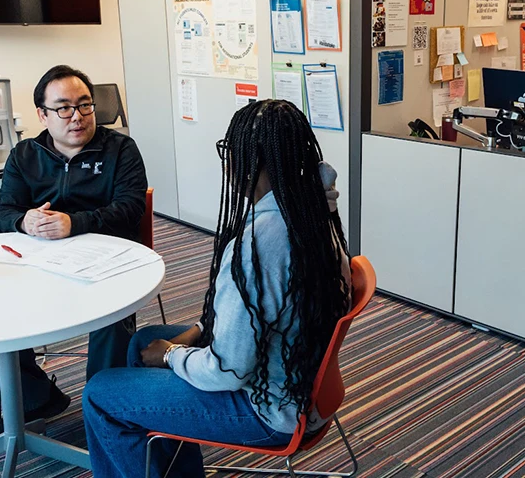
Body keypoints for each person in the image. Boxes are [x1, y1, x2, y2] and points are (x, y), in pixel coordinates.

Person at [82, 100, 352, 477]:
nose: (229, 165)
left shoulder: (258, 245)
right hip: (302, 382)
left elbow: (228, 370)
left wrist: (174, 356)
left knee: (100, 393)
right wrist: (191, 336)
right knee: (143, 339)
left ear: (249, 162)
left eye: (232, 153)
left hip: (267, 408)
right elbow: (262, 313)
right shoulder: (312, 210)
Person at [0, 65, 148, 438]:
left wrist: (74, 223)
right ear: (42, 114)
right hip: (39, 263)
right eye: (63, 108)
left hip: (110, 262)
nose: (76, 116)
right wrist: (25, 222)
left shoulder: (120, 149)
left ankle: (104, 408)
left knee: (112, 313)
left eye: (84, 105)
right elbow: (4, 211)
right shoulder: (25, 154)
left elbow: (131, 207)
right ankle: (35, 398)